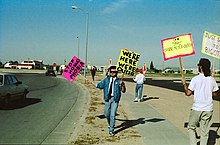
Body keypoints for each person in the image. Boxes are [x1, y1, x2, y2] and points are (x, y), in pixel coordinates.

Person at [181, 58, 219, 145]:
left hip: (197, 108)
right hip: (208, 109)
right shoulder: (211, 79)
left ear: (201, 67)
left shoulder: (195, 79)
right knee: (204, 132)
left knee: (191, 127)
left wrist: (184, 83)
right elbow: (215, 94)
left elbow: (188, 93)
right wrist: (209, 91)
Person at [96, 65, 126, 136]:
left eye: (114, 72)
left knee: (112, 115)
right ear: (109, 72)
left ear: (116, 72)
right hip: (107, 99)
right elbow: (100, 85)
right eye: (111, 72)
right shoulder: (106, 80)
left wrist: (122, 85)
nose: (113, 73)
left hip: (115, 99)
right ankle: (110, 124)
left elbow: (123, 91)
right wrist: (95, 84)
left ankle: (111, 130)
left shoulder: (119, 81)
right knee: (106, 114)